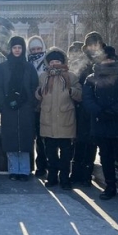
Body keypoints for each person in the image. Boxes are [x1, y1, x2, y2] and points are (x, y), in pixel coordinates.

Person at [82, 46, 118, 202]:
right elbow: (87, 99)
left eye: (110, 58)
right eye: (105, 58)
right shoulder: (92, 78)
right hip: (100, 123)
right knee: (105, 157)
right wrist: (100, 111)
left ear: (115, 59)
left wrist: (114, 110)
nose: (107, 61)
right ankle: (110, 187)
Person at [36, 47, 81, 190]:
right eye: (52, 61)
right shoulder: (43, 76)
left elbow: (80, 95)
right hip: (48, 121)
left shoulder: (71, 76)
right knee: (51, 154)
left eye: (57, 61)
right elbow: (38, 95)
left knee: (66, 155)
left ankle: (64, 178)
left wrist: (71, 91)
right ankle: (52, 177)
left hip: (65, 121)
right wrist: (38, 92)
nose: (54, 64)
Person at [0, 36, 39, 182]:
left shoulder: (29, 67)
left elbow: (34, 86)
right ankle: (13, 170)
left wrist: (30, 102)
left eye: (19, 47)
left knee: (25, 139)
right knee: (11, 140)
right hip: (9, 108)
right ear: (10, 49)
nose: (17, 50)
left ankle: (24, 170)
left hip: (26, 108)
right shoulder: (3, 67)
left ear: (23, 49)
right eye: (14, 48)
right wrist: (3, 103)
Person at [70, 32, 106, 187]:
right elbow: (75, 80)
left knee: (91, 143)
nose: (93, 48)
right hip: (80, 108)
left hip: (97, 109)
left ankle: (86, 174)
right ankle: (76, 173)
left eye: (96, 44)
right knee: (79, 142)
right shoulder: (81, 61)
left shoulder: (105, 60)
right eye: (90, 44)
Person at [27, 35, 48, 178]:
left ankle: (42, 166)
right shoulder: (26, 63)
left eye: (39, 48)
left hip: (44, 106)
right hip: (29, 106)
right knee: (30, 137)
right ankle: (28, 166)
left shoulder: (47, 63)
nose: (36, 51)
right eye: (33, 49)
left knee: (43, 139)